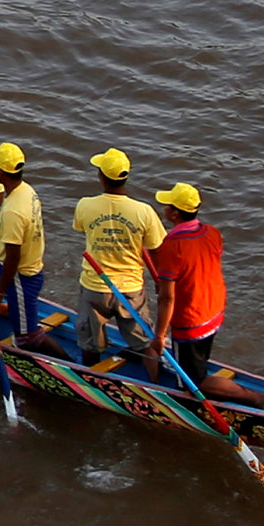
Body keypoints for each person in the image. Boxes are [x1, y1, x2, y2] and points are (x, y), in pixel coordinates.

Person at [71, 147, 168, 368]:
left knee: (90, 343)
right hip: (131, 287)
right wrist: (160, 280)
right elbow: (156, 250)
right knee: (144, 342)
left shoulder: (85, 204)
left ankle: (90, 379)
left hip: (95, 286)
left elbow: (82, 228)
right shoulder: (144, 211)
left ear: (102, 177)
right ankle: (154, 381)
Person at [143, 182, 233, 394]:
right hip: (214, 309)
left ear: (175, 213)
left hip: (191, 320)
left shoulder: (172, 245)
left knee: (194, 382)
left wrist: (159, 335)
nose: (164, 209)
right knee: (200, 359)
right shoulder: (212, 233)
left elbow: (167, 298)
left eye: (167, 206)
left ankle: (256, 399)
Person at [0, 142, 50, 348]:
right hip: (13, 267)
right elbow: (7, 231)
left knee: (29, 338)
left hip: (21, 276)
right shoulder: (26, 191)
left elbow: (13, 258)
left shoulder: (13, 211)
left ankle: (68, 364)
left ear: (0, 172)